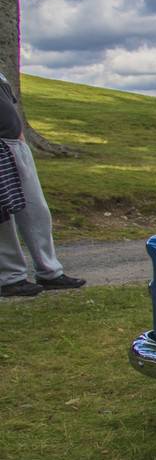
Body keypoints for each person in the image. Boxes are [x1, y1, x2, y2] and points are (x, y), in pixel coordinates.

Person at [0, 73, 85, 297]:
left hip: (15, 147)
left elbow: (11, 106)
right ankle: (11, 278)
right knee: (3, 217)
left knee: (36, 209)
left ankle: (50, 272)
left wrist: (20, 139)